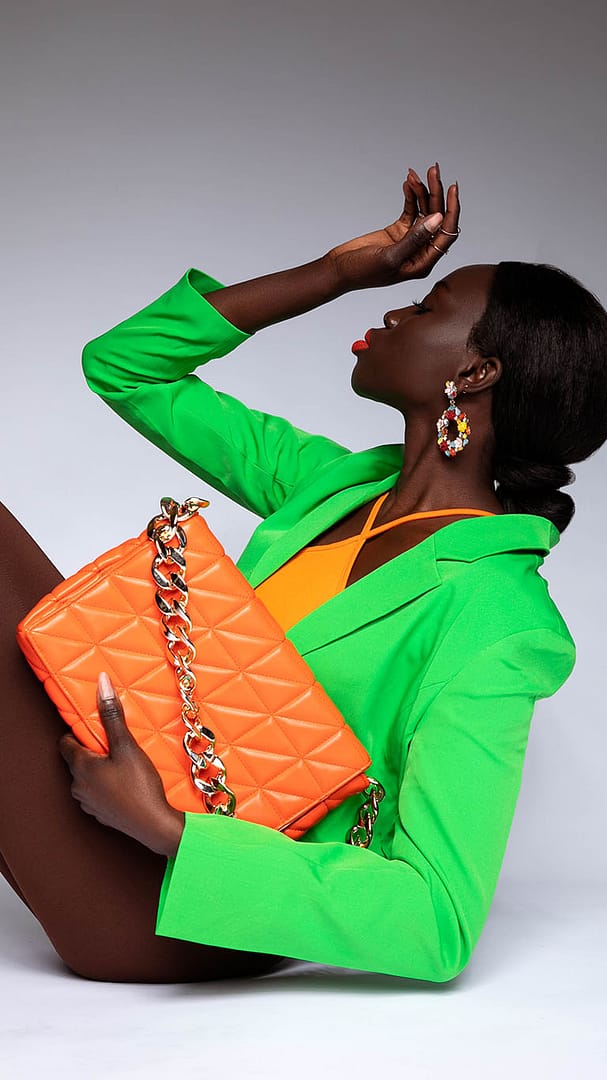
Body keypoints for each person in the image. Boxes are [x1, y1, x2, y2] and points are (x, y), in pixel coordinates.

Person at [2, 163, 606, 984]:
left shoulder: (500, 618)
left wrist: (164, 829)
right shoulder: (331, 487)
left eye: (427, 308)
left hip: (181, 901)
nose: (394, 309)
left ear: (475, 375)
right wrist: (332, 273)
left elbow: (437, 922)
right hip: (107, 790)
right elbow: (126, 366)